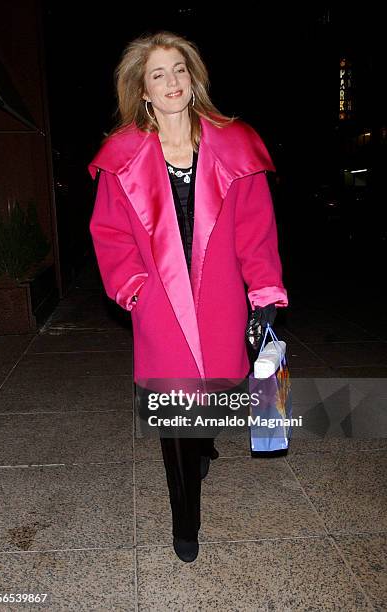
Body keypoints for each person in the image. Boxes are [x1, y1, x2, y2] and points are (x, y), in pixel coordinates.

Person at [88, 31, 288, 562]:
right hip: (160, 303)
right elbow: (109, 232)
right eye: (158, 74)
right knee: (175, 411)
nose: (171, 81)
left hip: (221, 298)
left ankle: (203, 442)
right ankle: (186, 522)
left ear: (193, 78)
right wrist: (133, 290)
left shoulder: (234, 143)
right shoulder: (122, 156)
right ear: (143, 90)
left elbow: (256, 229)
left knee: (215, 394)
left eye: (179, 69)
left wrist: (264, 290)